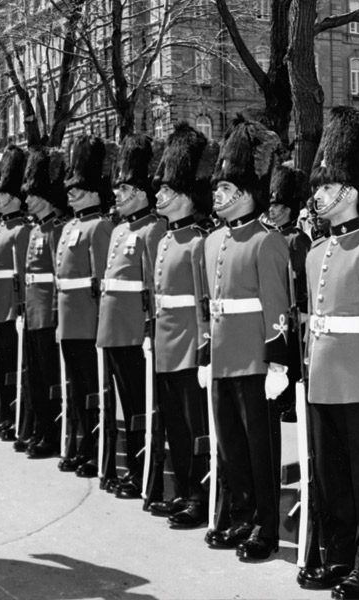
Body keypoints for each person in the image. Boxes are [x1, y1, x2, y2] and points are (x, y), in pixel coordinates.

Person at [296, 107, 359, 599]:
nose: (317, 196)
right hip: (323, 378)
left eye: (326, 187)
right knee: (329, 474)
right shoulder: (316, 252)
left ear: (350, 192)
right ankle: (336, 554)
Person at [201, 116, 289, 562]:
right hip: (221, 357)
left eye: (224, 188)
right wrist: (205, 354)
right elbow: (208, 303)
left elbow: (276, 306)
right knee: (230, 445)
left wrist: (277, 362)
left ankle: (264, 527)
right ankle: (238, 513)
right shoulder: (211, 241)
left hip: (255, 359)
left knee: (259, 450)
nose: (216, 194)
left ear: (246, 192)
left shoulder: (265, 241)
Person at [147, 122, 212, 526]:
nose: (158, 195)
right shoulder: (167, 238)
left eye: (166, 190)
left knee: (194, 426)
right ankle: (185, 488)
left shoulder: (198, 241)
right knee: (174, 424)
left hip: (189, 342)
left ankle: (199, 496)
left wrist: (204, 346)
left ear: (185, 196)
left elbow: (203, 304)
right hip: (167, 342)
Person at [97, 133, 166, 498]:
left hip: (134, 332)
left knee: (138, 408)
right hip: (112, 329)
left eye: (123, 187)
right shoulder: (120, 228)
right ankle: (122, 466)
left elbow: (153, 288)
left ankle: (141, 472)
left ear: (141, 191)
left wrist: (149, 331)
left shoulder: (153, 230)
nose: (118, 195)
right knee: (120, 406)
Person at [55, 135, 113, 478]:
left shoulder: (99, 226)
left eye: (77, 188)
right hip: (68, 322)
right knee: (76, 391)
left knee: (92, 392)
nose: (71, 193)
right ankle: (78, 443)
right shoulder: (71, 226)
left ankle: (92, 449)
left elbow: (101, 280)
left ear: (93, 191)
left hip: (89, 321)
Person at [20, 147, 66, 457]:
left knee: (50, 381)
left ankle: (51, 434)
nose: (27, 200)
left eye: (33, 195)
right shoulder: (37, 229)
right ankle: (39, 429)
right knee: (34, 379)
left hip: (48, 316)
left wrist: (53, 316)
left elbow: (58, 279)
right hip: (33, 314)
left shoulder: (56, 230)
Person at [0, 146, 30, 443]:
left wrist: (21, 308)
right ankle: (2, 412)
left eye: (3, 193)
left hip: (12, 307)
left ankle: (14, 416)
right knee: (0, 365)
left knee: (15, 367)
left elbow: (23, 276)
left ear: (15, 197)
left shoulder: (20, 230)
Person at [263, 162, 312, 424]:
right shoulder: (272, 235)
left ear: (288, 209)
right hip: (276, 304)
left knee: (292, 358)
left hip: (292, 307)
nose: (271, 210)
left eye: (277, 206)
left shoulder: (296, 238)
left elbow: (302, 275)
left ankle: (293, 401)